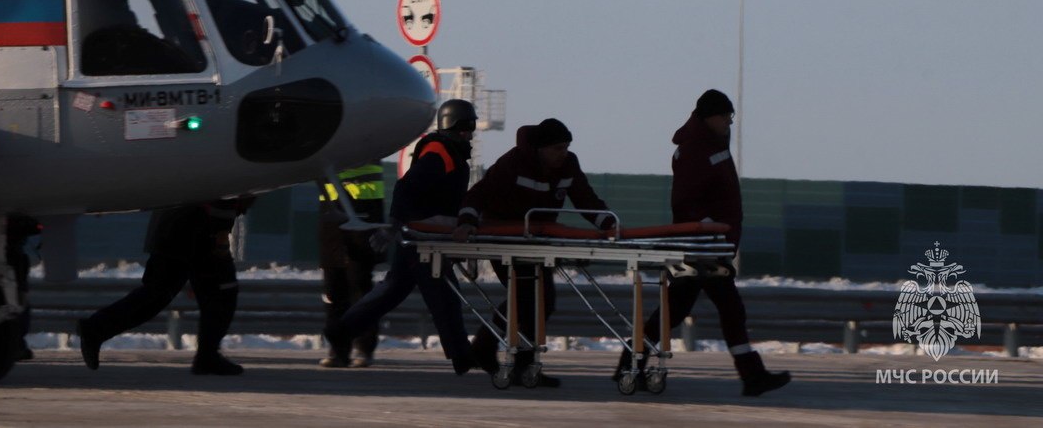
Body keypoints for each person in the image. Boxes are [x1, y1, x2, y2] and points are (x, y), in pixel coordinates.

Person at [614, 89, 791, 397]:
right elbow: (684, 200)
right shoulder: (697, 149)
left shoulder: (709, 145)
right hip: (703, 247)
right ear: (709, 117)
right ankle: (752, 376)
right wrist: (709, 229)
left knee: (676, 312)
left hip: (710, 245)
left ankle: (629, 365)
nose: (729, 122)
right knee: (726, 309)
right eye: (725, 116)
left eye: (730, 116)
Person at [328, 99, 489, 376]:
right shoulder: (440, 153)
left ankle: (341, 331)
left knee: (394, 290)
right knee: (444, 296)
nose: (470, 133)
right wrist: (393, 225)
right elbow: (406, 187)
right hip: (422, 237)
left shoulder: (450, 152)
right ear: (452, 125)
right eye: (466, 127)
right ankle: (461, 356)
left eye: (472, 127)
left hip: (426, 236)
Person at [454, 118, 616, 388]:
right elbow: (478, 194)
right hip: (504, 238)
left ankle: (512, 360)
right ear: (540, 148)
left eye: (566, 147)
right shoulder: (513, 163)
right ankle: (502, 356)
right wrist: (467, 222)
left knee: (540, 301)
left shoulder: (568, 165)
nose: (562, 153)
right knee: (526, 299)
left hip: (537, 241)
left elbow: (585, 198)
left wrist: (610, 225)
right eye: (557, 148)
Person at [77, 197, 253, 375]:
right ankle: (95, 329)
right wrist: (221, 230)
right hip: (190, 227)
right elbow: (219, 194)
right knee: (166, 293)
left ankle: (207, 357)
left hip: (187, 226)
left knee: (212, 291)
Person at [317, 162, 386, 368]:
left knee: (359, 282)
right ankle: (338, 347)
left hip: (364, 204)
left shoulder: (366, 134)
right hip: (331, 204)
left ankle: (363, 346)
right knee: (333, 284)